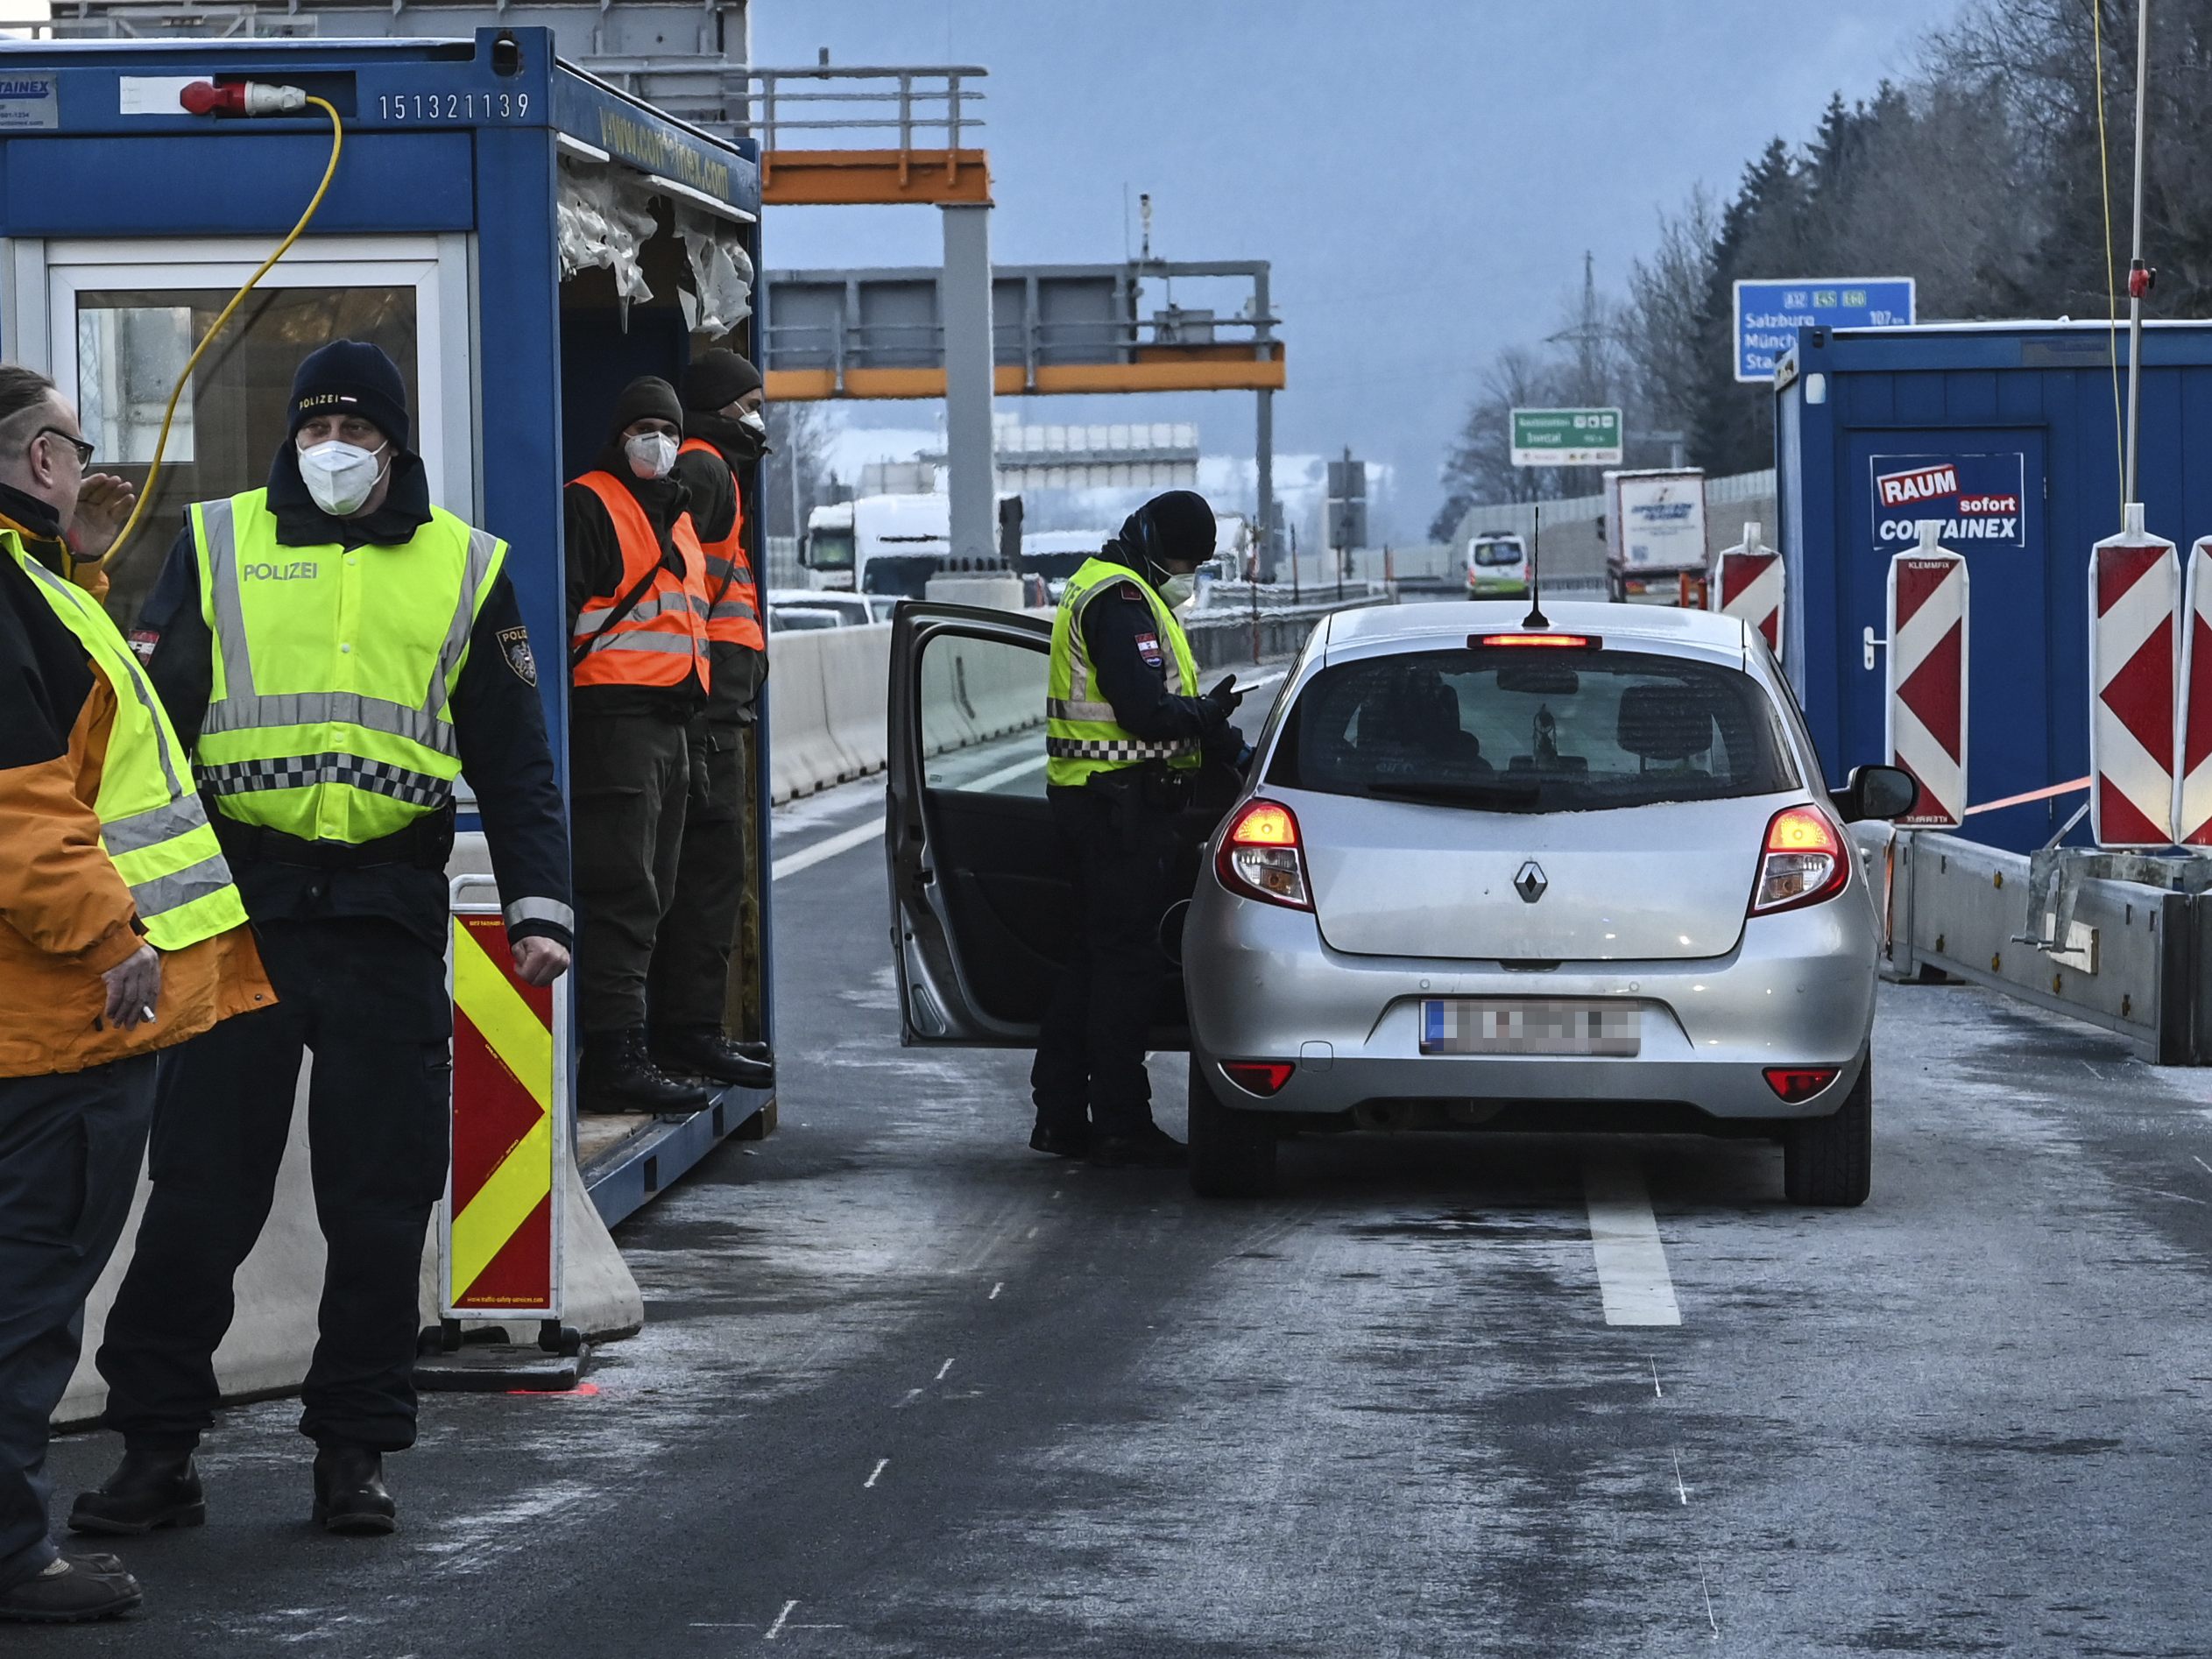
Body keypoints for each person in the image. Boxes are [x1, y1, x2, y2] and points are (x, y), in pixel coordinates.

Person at [73, 341, 573, 1540]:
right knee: (198, 1192)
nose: (330, 448)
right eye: (311, 428)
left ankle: (354, 1451)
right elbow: (148, 739)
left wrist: (541, 906)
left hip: (386, 921)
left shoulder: (465, 566)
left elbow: (514, 756)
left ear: (394, 444)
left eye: (353, 429)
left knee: (380, 1200)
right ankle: (156, 1447)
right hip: (237, 920)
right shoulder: (213, 544)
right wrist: (128, 909)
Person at [0, 364, 270, 1622]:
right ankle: (10, 1556)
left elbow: (69, 727)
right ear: (40, 457)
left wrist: (84, 561)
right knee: (28, 1297)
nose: (88, 460)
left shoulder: (36, 581)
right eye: (74, 441)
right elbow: (22, 804)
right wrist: (115, 936)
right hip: (60, 1018)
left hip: (52, 1017)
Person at [1034, 490, 1246, 1168]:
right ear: (1154, 540)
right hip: (1115, 809)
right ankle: (1120, 1121)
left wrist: (1225, 744)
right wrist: (1206, 716)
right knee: (1122, 968)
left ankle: (1061, 1115)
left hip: (1096, 804)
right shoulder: (1121, 601)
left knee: (1092, 962)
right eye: (1186, 559)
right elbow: (1146, 712)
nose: (1190, 572)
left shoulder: (1111, 587)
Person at [564, 377, 723, 1112]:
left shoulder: (681, 518)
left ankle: (635, 1042)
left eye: (667, 427)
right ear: (618, 433)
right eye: (642, 427)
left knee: (654, 893)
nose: (655, 440)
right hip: (613, 725)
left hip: (668, 726)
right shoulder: (589, 503)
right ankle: (616, 1053)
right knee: (624, 891)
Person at [661, 349, 774, 1090]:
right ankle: (689, 1034)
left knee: (697, 873)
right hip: (702, 709)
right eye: (751, 402)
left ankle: (685, 1031)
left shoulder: (712, 465)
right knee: (705, 876)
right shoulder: (705, 470)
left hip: (706, 703)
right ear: (722, 406)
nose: (759, 416)